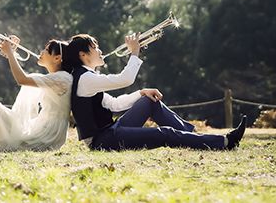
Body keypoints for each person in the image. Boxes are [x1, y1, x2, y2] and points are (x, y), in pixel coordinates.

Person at [63, 32, 247, 151]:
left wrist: (141, 92)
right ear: (83, 55)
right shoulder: (85, 78)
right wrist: (134, 53)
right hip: (102, 141)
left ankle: (196, 140)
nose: (100, 51)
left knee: (150, 101)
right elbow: (125, 79)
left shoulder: (87, 77)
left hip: (110, 132)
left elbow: (114, 104)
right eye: (95, 48)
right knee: (164, 134)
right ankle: (225, 143)